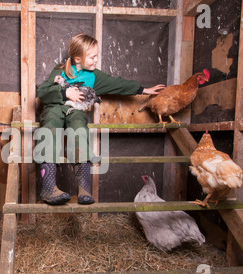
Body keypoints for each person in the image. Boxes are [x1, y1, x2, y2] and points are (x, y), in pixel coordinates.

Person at [36, 33, 165, 205]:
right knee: (50, 124)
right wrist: (64, 92)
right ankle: (48, 187)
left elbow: (117, 83)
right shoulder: (60, 71)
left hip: (76, 110)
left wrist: (143, 90)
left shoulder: (94, 76)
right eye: (92, 57)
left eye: (97, 56)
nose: (96, 60)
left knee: (79, 126)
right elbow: (42, 91)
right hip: (55, 107)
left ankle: (83, 188)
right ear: (77, 58)